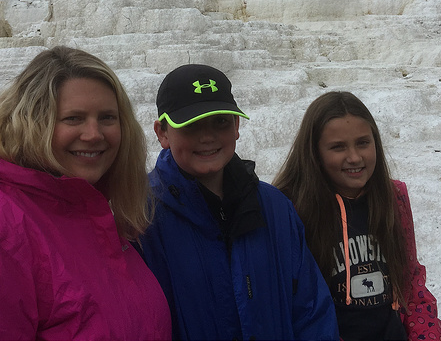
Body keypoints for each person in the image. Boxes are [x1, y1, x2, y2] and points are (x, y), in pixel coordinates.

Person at [0, 46, 171, 340]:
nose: (94, 134)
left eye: (108, 118)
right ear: (31, 123)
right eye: (73, 118)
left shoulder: (90, 216)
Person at [138, 63, 339, 340]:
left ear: (236, 126)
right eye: (191, 124)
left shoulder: (276, 209)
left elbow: (311, 310)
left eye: (220, 121)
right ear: (162, 132)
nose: (207, 136)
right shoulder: (141, 217)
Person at [273, 91, 441, 341]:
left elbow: (411, 283)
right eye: (338, 147)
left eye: (363, 143)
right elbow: (292, 306)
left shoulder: (393, 197)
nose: (354, 157)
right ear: (315, 153)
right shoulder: (291, 208)